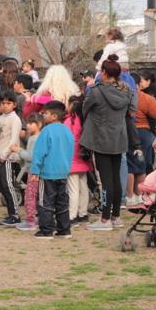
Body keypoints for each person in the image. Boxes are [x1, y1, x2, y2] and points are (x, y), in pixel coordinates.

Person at [80, 55, 132, 231]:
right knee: (116, 178)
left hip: (101, 139)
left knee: (106, 180)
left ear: (103, 72)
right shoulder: (126, 91)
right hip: (119, 138)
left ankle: (105, 219)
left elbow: (85, 109)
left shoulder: (96, 91)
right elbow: (131, 110)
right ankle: (116, 216)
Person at [31, 101, 75, 239]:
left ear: (54, 116)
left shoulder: (46, 131)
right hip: (63, 172)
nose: (43, 115)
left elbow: (39, 153)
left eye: (46, 113)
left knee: (45, 202)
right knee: (62, 203)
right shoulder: (67, 130)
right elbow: (70, 151)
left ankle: (46, 230)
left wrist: (35, 171)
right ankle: (64, 229)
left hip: (47, 173)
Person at [129, 71, 156, 205]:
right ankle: (140, 195)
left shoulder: (122, 96)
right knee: (142, 164)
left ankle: (129, 195)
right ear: (138, 84)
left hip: (127, 132)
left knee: (129, 165)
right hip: (144, 132)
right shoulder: (144, 97)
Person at [0, 93, 23, 227]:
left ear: (14, 105)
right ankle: (11, 214)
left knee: (8, 185)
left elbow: (13, 140)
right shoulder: (1, 118)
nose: (5, 106)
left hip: (8, 157)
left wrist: (4, 155)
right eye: (3, 103)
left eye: (8, 103)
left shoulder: (15, 119)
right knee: (3, 186)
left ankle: (15, 215)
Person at [12, 113, 43, 231]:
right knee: (37, 196)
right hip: (37, 172)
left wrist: (19, 150)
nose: (28, 126)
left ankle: (31, 221)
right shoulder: (36, 137)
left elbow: (31, 156)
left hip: (34, 172)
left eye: (31, 123)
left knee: (30, 196)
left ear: (39, 124)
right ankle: (38, 218)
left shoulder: (35, 139)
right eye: (27, 123)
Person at [64, 95, 91, 224]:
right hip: (83, 157)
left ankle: (72, 215)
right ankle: (83, 213)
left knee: (73, 189)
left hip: (71, 158)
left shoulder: (69, 121)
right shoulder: (84, 120)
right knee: (83, 187)